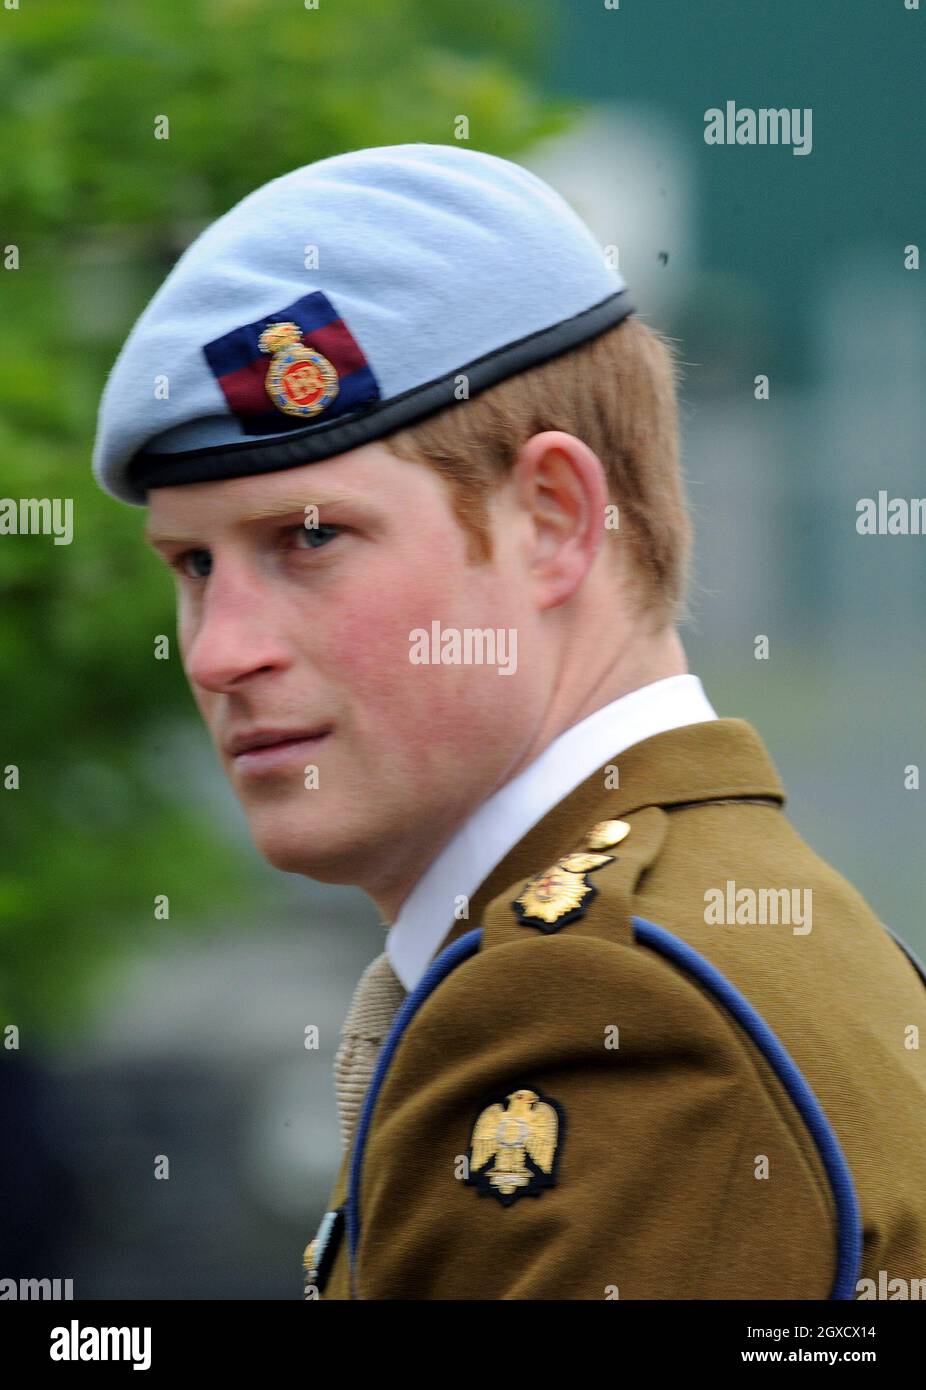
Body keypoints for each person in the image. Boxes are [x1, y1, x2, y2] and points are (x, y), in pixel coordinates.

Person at [92, 143, 926, 1301]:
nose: (223, 650)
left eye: (310, 537)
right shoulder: (705, 928)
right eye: (191, 565)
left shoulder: (607, 1006)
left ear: (551, 521)